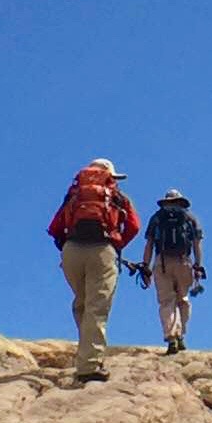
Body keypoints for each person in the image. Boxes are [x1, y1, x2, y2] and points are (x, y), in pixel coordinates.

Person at [46, 159, 140, 384]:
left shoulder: (74, 195)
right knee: (96, 307)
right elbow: (134, 226)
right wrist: (117, 245)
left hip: (71, 251)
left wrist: (66, 245)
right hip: (102, 250)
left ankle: (86, 354)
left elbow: (54, 227)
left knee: (82, 303)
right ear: (110, 176)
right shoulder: (118, 197)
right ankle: (89, 366)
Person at [135, 188, 206, 354]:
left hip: (162, 262)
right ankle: (181, 335)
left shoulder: (157, 218)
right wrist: (198, 265)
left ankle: (172, 337)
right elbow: (197, 244)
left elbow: (149, 244)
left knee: (166, 301)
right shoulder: (190, 218)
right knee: (183, 299)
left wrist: (146, 266)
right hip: (184, 261)